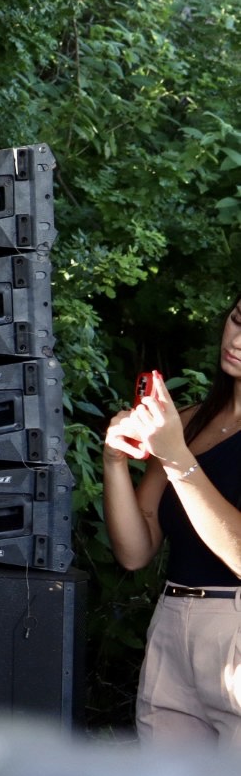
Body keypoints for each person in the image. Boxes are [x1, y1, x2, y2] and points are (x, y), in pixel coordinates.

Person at [104, 294, 241, 743]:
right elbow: (135, 551)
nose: (237, 340)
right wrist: (114, 461)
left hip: (235, 625)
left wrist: (177, 457)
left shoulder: (177, 441)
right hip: (173, 620)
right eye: (237, 320)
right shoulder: (188, 423)